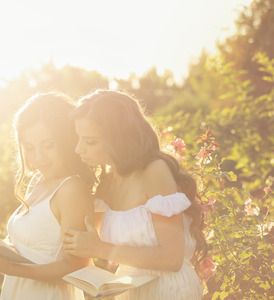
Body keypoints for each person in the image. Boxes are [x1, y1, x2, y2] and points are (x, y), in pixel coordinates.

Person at [63, 90, 207, 299]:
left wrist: (99, 249)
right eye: (78, 138)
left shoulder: (154, 170)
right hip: (128, 288)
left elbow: (171, 258)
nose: (78, 149)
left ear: (118, 139)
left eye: (90, 141)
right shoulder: (107, 181)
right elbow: (84, 240)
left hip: (168, 290)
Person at [0, 92, 95, 299]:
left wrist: (10, 268)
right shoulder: (38, 181)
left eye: (48, 145)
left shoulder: (72, 190)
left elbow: (75, 267)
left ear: (67, 140)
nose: (38, 157)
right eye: (29, 148)